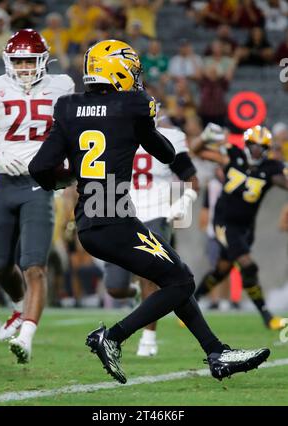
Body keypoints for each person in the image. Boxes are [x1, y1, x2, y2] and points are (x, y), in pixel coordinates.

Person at [29, 39, 270, 384]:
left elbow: (40, 167)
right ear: (119, 70)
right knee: (182, 280)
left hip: (92, 218)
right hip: (114, 218)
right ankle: (112, 337)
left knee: (173, 274)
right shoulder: (133, 103)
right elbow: (164, 151)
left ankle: (216, 353)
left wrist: (72, 175)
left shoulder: (68, 107)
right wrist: (154, 127)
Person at [0, 29, 74, 363]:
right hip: (4, 183)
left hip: (39, 184)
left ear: (43, 61)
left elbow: (75, 128)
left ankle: (26, 335)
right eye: (19, 60)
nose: (24, 67)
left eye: (30, 60)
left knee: (34, 265)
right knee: (0, 266)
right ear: (9, 61)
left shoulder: (61, 87)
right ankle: (18, 308)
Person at [104, 106, 198, 356]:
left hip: (156, 211)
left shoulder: (170, 138)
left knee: (151, 275)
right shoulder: (115, 135)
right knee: (114, 287)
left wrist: (184, 200)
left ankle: (148, 338)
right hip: (122, 213)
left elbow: (191, 176)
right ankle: (136, 294)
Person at [193, 124, 288, 330]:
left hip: (246, 229)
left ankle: (191, 301)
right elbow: (196, 150)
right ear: (246, 144)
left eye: (261, 147)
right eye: (253, 145)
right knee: (248, 265)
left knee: (221, 270)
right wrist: (204, 137)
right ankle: (267, 317)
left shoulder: (270, 168)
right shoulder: (232, 156)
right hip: (224, 223)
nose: (256, 151)